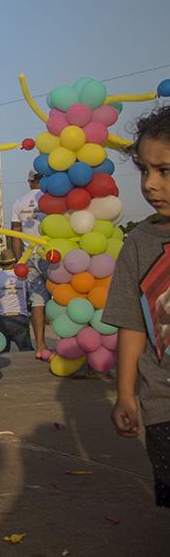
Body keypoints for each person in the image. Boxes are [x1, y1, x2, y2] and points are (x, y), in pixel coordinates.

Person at [104, 105, 170, 508]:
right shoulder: (139, 243)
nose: (150, 184)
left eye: (165, 171)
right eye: (145, 170)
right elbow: (132, 324)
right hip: (163, 404)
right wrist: (125, 393)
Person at [11, 172, 51, 359]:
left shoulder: (18, 202)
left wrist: (20, 261)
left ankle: (40, 345)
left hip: (30, 255)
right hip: (51, 254)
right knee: (61, 297)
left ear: (29, 181)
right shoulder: (51, 198)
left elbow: (16, 233)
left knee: (37, 301)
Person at [0, 261, 33, 352]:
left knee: (2, 351)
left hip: (1, 316)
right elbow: (29, 294)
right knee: (27, 350)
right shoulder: (22, 276)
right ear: (14, 263)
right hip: (20, 315)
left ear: (1, 264)